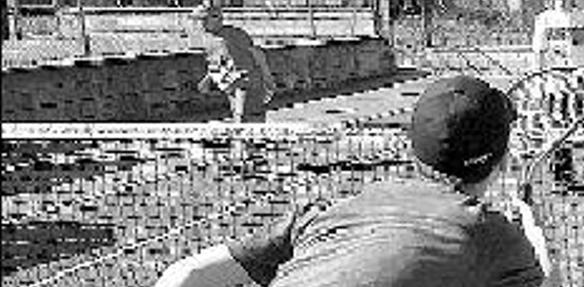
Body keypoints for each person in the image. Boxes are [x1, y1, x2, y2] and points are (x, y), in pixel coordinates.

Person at [154, 75, 559, 287]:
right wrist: (537, 235)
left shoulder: (330, 213)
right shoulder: (494, 238)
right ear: (504, 159)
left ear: (411, 149)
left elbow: (183, 277)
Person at [531, 0, 584, 196]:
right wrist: (538, 85)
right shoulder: (544, 20)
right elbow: (538, 55)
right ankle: (563, 179)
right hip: (557, 88)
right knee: (559, 135)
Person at [193, 2, 276, 123]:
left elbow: (257, 54)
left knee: (243, 119)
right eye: (200, 20)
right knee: (238, 118)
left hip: (247, 82)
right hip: (230, 85)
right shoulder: (208, 39)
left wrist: (267, 76)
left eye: (205, 19)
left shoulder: (235, 34)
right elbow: (217, 63)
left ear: (218, 18)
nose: (202, 23)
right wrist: (207, 80)